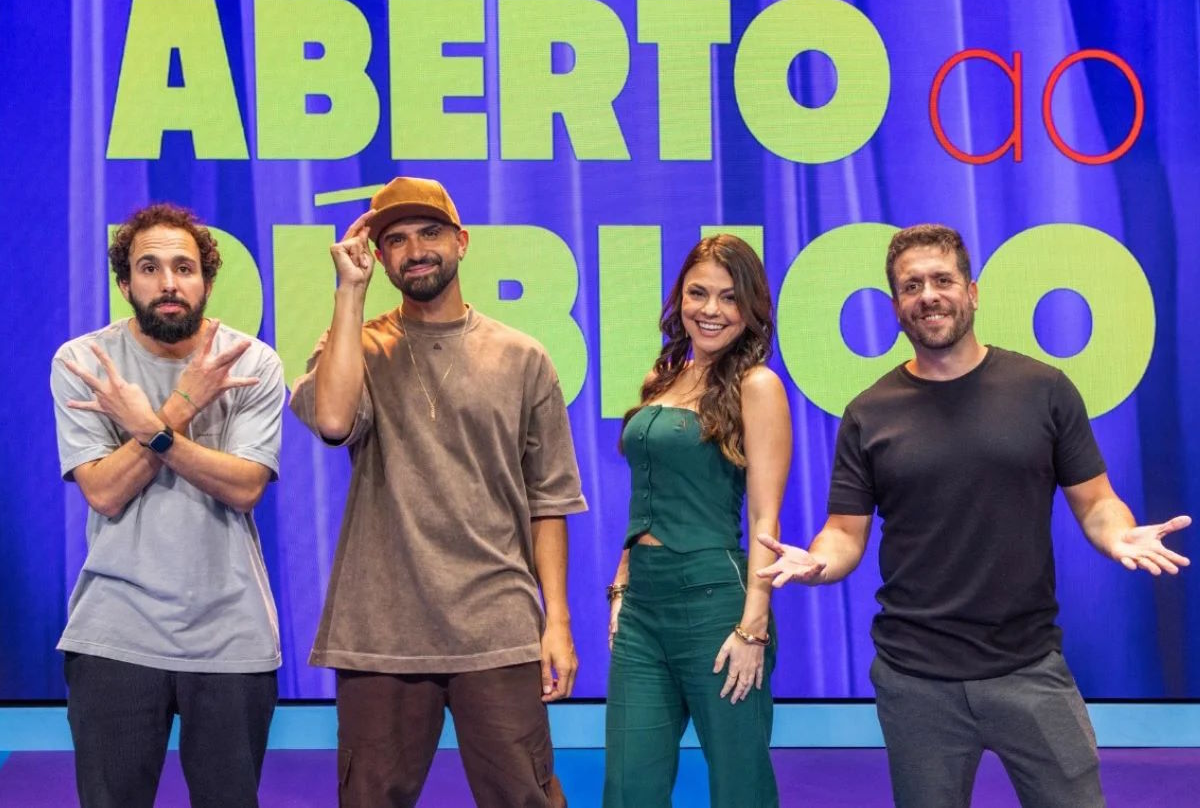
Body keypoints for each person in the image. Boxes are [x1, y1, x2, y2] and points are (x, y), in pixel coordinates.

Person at [756, 223, 1192, 807]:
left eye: (942, 280)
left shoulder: (1044, 389)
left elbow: (1096, 502)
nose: (928, 296)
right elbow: (843, 533)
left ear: (973, 292)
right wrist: (818, 564)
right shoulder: (868, 414)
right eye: (912, 286)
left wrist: (1118, 535)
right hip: (915, 679)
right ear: (896, 307)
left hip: (1029, 667)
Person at [289, 176, 586, 808]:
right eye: (395, 240)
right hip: (381, 629)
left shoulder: (522, 357)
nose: (415, 250)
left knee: (525, 798)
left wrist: (557, 620)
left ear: (462, 242)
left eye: (429, 233)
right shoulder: (354, 346)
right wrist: (349, 291)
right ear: (379, 255)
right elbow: (334, 422)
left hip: (497, 624)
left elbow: (550, 500)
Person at [50, 204, 284, 808]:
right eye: (149, 268)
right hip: (115, 632)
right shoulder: (84, 364)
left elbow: (245, 488)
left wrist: (150, 427)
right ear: (124, 284)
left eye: (184, 267)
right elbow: (104, 491)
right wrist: (182, 407)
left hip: (231, 634)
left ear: (206, 281)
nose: (169, 283)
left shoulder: (252, 363)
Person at [603, 234, 791, 808]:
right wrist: (621, 586)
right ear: (679, 298)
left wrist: (753, 627)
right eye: (698, 293)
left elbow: (764, 515)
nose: (711, 310)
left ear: (751, 308)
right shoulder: (661, 380)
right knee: (628, 789)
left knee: (740, 788)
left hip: (718, 607)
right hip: (643, 611)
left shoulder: (758, 386)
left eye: (729, 298)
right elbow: (646, 496)